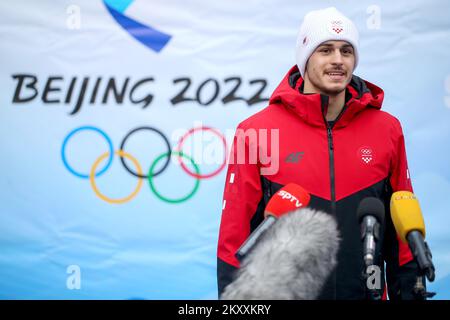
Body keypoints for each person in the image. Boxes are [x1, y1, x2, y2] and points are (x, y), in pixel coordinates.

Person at [217, 7, 425, 300]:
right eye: (325, 50)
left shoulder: (387, 129)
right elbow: (234, 237)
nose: (338, 60)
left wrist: (411, 291)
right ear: (305, 58)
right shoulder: (257, 130)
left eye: (346, 51)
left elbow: (400, 237)